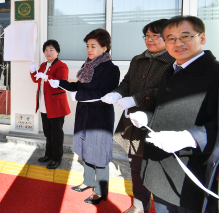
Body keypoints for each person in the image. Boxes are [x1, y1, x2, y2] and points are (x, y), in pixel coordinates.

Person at [128, 16, 219, 213]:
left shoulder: (215, 73)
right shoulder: (172, 69)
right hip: (159, 170)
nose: (177, 43)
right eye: (170, 38)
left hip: (190, 175)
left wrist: (189, 138)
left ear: (202, 38)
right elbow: (167, 109)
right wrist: (148, 117)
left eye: (185, 36)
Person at [102, 19, 175, 213]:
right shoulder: (137, 59)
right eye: (147, 36)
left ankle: (162, 207)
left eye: (155, 35)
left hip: (158, 124)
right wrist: (117, 93)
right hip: (134, 123)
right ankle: (139, 205)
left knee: (158, 170)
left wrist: (135, 99)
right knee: (136, 167)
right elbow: (126, 82)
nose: (150, 40)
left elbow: (165, 90)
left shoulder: (175, 61)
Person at [48, 28, 120, 205]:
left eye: (93, 46)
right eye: (87, 46)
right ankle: (88, 181)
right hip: (84, 115)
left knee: (99, 153)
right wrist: (60, 83)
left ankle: (101, 190)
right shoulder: (87, 66)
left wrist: (78, 96)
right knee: (85, 150)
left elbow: (103, 93)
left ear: (105, 47)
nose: (89, 50)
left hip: (99, 118)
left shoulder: (111, 69)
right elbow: (78, 86)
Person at [30, 39, 70, 170]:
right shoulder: (43, 65)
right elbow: (36, 79)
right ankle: (48, 154)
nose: (48, 52)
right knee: (48, 132)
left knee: (56, 133)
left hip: (56, 106)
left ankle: (56, 158)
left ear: (57, 52)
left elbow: (61, 83)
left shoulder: (61, 66)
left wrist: (47, 77)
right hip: (44, 104)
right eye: (46, 50)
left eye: (51, 50)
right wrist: (33, 71)